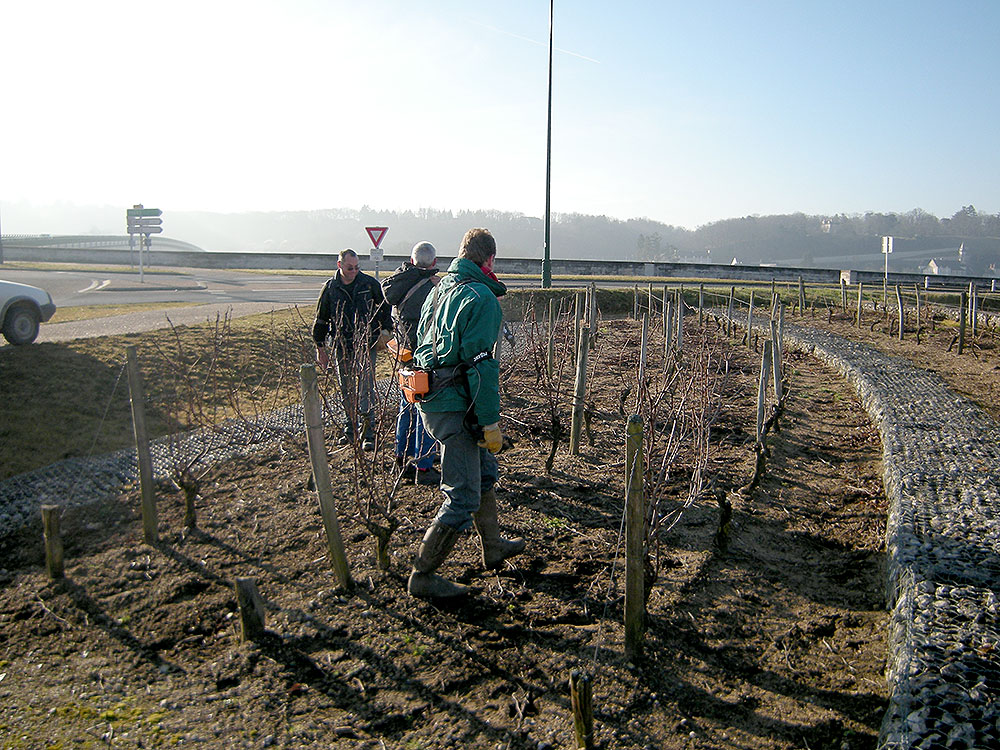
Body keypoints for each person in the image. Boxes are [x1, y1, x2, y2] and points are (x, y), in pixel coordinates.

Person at [407, 228, 526, 598]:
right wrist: (490, 421)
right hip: (458, 406)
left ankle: (492, 547)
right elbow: (482, 366)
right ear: (490, 260)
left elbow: (421, 345)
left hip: (436, 398)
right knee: (461, 496)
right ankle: (423, 575)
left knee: (485, 473)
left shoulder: (439, 290)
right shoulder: (481, 299)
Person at [312, 248, 391, 451]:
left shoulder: (369, 284)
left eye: (357, 267)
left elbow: (384, 307)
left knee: (366, 389)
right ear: (340, 265)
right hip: (342, 346)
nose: (354, 271)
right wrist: (320, 348)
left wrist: (386, 330)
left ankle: (368, 433)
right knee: (346, 389)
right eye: (350, 268)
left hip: (366, 344)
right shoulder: (330, 288)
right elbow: (320, 320)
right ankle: (350, 429)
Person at [381, 241, 441, 485]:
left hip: (403, 353)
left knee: (406, 404)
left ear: (411, 259)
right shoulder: (433, 288)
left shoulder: (397, 281)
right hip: (424, 355)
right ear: (434, 263)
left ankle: (401, 455)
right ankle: (423, 465)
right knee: (424, 408)